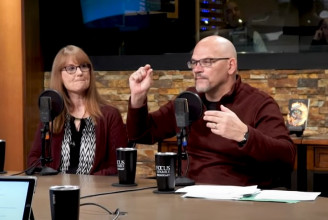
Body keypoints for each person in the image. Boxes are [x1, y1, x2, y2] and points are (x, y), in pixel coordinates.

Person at [127, 36, 296, 188]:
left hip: (240, 203)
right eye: (194, 63)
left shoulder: (259, 103)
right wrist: (138, 97)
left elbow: (287, 158)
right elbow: (141, 134)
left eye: (206, 62)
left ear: (230, 66)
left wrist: (245, 135)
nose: (197, 69)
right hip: (188, 197)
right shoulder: (188, 100)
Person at [27, 45, 128, 175]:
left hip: (96, 191)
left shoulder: (109, 115)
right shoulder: (52, 114)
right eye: (71, 68)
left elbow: (118, 166)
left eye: (84, 66)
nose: (80, 73)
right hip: (58, 188)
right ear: (59, 76)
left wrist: (86, 183)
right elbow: (33, 160)